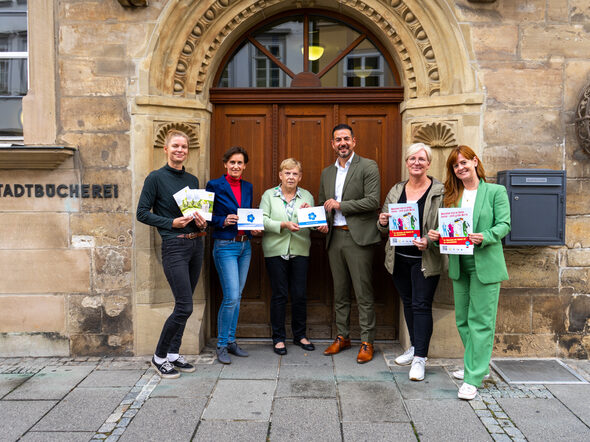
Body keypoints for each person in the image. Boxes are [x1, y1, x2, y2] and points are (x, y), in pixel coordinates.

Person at [428, 145, 510, 400]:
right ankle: (478, 366)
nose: (460, 167)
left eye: (464, 162)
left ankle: (473, 377)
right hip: (460, 264)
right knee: (463, 320)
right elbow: (451, 230)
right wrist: (438, 235)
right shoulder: (452, 195)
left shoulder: (496, 191)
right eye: (455, 165)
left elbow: (504, 224)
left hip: (485, 263)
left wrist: (485, 236)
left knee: (481, 322)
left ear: (475, 161)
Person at [136, 129, 208, 379]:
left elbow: (197, 215)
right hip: (174, 245)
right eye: (175, 146)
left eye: (184, 147)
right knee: (185, 306)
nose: (180, 150)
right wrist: (171, 223)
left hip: (196, 244)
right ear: (166, 149)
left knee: (183, 305)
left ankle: (174, 354)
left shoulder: (192, 180)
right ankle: (159, 357)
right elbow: (142, 213)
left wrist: (201, 223)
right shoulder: (155, 178)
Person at [377, 142, 444, 381]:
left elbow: (446, 226)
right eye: (412, 159)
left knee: (421, 305)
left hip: (425, 259)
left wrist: (429, 240)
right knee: (408, 302)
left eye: (421, 159)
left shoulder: (439, 191)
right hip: (399, 259)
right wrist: (383, 222)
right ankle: (415, 347)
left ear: (429, 163)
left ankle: (420, 359)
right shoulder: (396, 189)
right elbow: (382, 224)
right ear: (406, 162)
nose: (416, 163)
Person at [319, 123, 381, 364]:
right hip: (334, 237)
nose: (342, 143)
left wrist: (341, 205)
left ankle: (367, 341)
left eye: (346, 138)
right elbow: (325, 204)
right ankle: (342, 336)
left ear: (354, 141)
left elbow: (373, 201)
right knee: (340, 292)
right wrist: (318, 219)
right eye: (337, 139)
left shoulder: (368, 166)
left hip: (359, 238)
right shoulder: (327, 173)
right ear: (332, 144)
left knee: (363, 293)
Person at [260, 158, 315, 355]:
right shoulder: (269, 195)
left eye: (295, 174)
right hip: (275, 250)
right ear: (280, 175)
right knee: (279, 295)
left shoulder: (306, 195)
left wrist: (318, 223)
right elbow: (263, 220)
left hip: (300, 249)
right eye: (287, 173)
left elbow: (312, 221)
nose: (291, 177)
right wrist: (283, 225)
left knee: (299, 294)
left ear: (300, 177)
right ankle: (278, 338)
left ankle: (300, 335)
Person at [206, 146, 256, 364]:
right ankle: (222, 345)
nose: (236, 166)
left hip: (245, 247)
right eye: (232, 162)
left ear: (245, 166)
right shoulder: (214, 185)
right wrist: (222, 220)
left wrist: (254, 228)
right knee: (231, 296)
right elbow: (205, 215)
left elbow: (248, 214)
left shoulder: (248, 187)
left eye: (240, 163)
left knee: (238, 296)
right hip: (225, 245)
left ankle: (232, 341)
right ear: (226, 164)